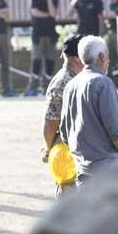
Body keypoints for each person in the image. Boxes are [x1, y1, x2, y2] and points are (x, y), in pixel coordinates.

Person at [60, 35, 118, 186]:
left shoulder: (70, 86)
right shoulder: (103, 83)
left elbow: (65, 133)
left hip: (82, 170)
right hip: (108, 170)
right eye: (108, 57)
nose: (108, 61)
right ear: (102, 57)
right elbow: (116, 130)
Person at [41, 35, 84, 196]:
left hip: (77, 147)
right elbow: (51, 122)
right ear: (77, 58)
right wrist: (47, 147)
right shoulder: (63, 83)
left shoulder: (74, 78)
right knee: (69, 195)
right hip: (67, 149)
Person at [25, 0, 59, 97]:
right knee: (36, 61)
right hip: (38, 35)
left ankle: (47, 88)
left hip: (51, 35)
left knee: (50, 61)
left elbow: (54, 14)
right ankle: (32, 88)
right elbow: (35, 12)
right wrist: (48, 14)